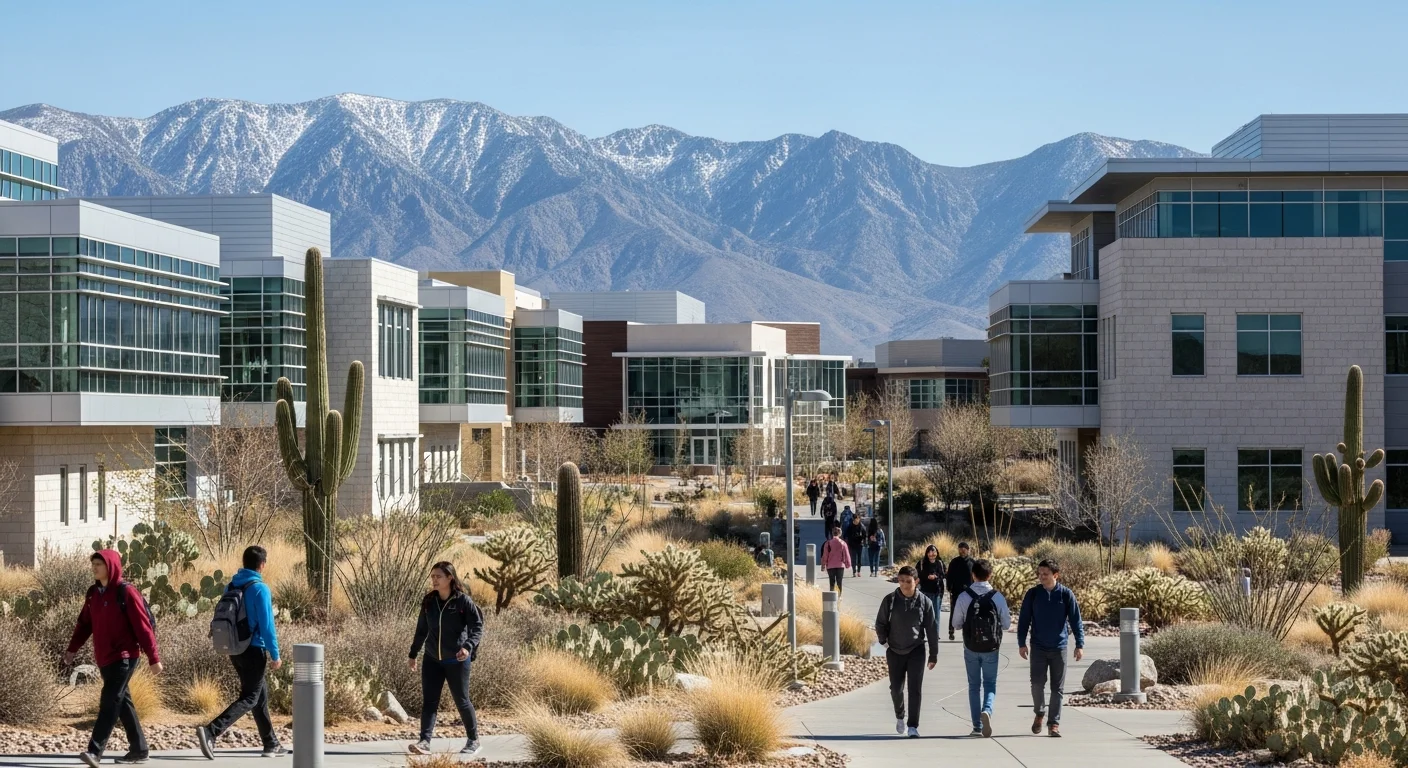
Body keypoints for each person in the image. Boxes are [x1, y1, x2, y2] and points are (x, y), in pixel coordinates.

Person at [67, 549, 163, 767]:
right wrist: (72, 649)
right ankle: (139, 749)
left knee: (109, 700)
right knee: (122, 701)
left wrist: (153, 658)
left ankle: (95, 751)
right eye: (93, 564)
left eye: (99, 564)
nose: (94, 568)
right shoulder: (93, 593)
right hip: (104, 657)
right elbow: (84, 624)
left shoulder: (126, 592)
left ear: (110, 566)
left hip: (125, 656)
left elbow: (143, 627)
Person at [197, 546, 285, 759]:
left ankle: (271, 743)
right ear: (262, 565)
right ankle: (211, 731)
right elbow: (267, 625)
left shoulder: (232, 584)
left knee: (259, 695)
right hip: (254, 650)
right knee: (250, 697)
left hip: (235, 649)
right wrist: (275, 654)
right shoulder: (260, 588)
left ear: (244, 562)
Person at [408, 561, 485, 755]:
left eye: (438, 576)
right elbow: (421, 630)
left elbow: (476, 627)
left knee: (461, 700)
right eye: (432, 576)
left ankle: (473, 740)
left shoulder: (462, 601)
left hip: (456, 660)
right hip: (432, 659)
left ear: (450, 577)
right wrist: (413, 654)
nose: (434, 580)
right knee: (430, 701)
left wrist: (468, 647)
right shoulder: (428, 601)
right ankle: (424, 742)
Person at [1017, 558, 1085, 738]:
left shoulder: (1066, 595)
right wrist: (1021, 643)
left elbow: (1076, 621)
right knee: (1037, 684)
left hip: (1059, 647)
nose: (1041, 577)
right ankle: (1039, 712)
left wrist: (1079, 644)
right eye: (1039, 574)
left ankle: (1054, 723)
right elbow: (1024, 620)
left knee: (1058, 688)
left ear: (1056, 575)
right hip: (1038, 647)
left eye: (1045, 574)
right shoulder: (1033, 594)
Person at [874, 566, 938, 738]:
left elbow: (932, 629)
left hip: (916, 649)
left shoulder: (925, 602)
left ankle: (913, 726)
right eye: (901, 580)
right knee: (896, 689)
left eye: (908, 581)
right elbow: (880, 623)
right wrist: (883, 641)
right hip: (894, 650)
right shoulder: (890, 600)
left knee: (915, 689)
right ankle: (900, 715)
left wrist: (933, 654)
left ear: (916, 581)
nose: (904, 585)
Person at [951, 559, 1011, 738]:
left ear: (973, 575)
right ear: (990, 575)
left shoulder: (964, 596)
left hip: (970, 647)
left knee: (973, 685)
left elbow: (956, 624)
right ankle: (987, 709)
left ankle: (977, 726)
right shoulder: (997, 597)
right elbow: (1006, 624)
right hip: (991, 647)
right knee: (990, 683)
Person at [945, 542, 975, 641]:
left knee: (969, 612)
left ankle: (968, 632)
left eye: (964, 549)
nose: (962, 550)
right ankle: (951, 631)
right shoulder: (954, 562)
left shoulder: (972, 562)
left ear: (968, 550)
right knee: (954, 611)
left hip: (969, 592)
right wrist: (949, 587)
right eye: (960, 548)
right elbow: (949, 576)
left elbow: (976, 577)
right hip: (956, 591)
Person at [916, 545, 946, 630]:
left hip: (937, 592)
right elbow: (917, 573)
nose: (932, 554)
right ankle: (920, 634)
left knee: (936, 614)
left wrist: (936, 576)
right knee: (922, 614)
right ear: (927, 553)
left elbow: (943, 574)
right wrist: (927, 576)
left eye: (934, 552)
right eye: (930, 552)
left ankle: (935, 634)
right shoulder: (922, 563)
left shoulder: (940, 563)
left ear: (937, 553)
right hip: (924, 591)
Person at [820, 526, 851, 594]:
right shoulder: (843, 543)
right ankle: (839, 596)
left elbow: (825, 555)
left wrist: (823, 565)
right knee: (839, 582)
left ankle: (832, 597)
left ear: (832, 533)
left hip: (830, 566)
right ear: (840, 533)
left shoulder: (827, 543)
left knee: (832, 582)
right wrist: (848, 564)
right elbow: (847, 554)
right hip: (840, 565)